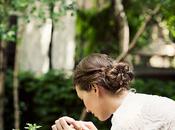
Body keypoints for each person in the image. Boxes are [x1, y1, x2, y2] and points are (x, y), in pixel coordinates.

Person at [52, 53, 175, 130]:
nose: (87, 109)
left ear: (95, 89)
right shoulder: (140, 103)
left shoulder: (126, 120)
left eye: (83, 99)